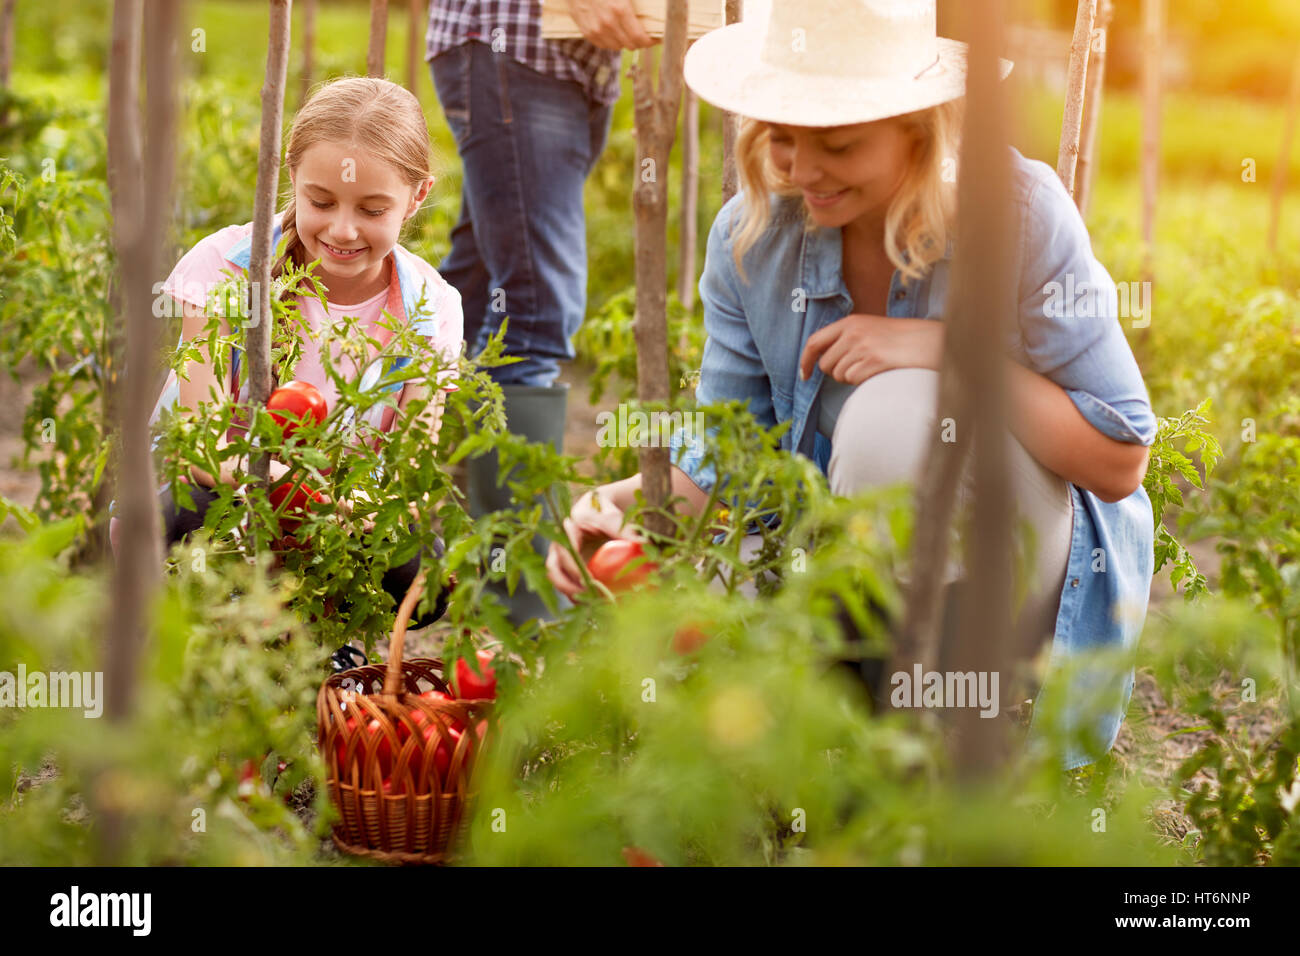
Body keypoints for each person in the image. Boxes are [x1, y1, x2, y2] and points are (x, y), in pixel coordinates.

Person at [545, 1, 1157, 771]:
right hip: (845, 574)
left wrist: (947, 352)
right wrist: (616, 501)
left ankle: (949, 733)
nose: (801, 171)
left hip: (1019, 565)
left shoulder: (1019, 215)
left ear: (919, 127)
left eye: (835, 144)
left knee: (891, 419)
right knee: (698, 600)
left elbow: (1116, 458)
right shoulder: (750, 239)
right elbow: (736, 457)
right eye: (780, 139)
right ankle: (850, 728)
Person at [112, 77, 463, 628]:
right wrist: (289, 488)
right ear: (292, 176)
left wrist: (341, 509)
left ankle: (330, 633)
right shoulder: (227, 267)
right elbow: (195, 450)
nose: (342, 229)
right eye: (321, 202)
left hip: (343, 523)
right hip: (227, 499)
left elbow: (409, 470)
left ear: (417, 196)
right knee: (167, 517)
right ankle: (205, 625)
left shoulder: (430, 306)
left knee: (423, 574)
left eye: (373, 211)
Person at [425, 0, 656, 625]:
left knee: (472, 295)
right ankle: (522, 599)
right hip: (516, 41)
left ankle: (369, 498)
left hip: (570, 59)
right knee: (531, 313)